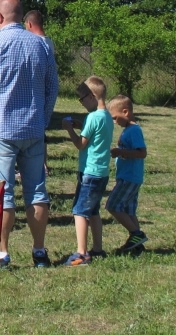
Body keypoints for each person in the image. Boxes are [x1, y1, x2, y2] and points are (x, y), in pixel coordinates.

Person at [0, 0, 58, 269]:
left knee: (3, 193)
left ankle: (2, 253)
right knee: (37, 192)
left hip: (3, 130)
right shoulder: (41, 45)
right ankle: (39, 251)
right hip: (33, 128)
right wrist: (42, 119)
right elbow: (52, 86)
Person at [62, 77, 115, 266]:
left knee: (80, 212)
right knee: (93, 211)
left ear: (92, 96)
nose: (81, 102)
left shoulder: (92, 118)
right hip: (101, 172)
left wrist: (69, 129)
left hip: (89, 172)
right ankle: (98, 249)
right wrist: (80, 124)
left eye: (82, 99)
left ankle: (81, 253)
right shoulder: (106, 115)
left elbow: (80, 144)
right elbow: (94, 133)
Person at [106, 95, 149, 254]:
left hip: (130, 178)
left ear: (125, 112)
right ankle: (137, 245)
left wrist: (120, 152)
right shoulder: (128, 130)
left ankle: (137, 234)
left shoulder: (134, 130)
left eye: (115, 118)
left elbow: (142, 153)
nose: (114, 121)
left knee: (112, 205)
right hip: (129, 177)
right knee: (129, 211)